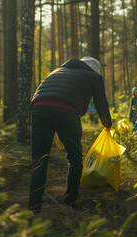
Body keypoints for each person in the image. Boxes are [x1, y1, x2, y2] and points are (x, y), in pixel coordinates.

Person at [29, 56, 112, 213]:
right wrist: (108, 126)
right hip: (67, 111)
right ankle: (70, 204)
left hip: (38, 108)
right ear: (95, 69)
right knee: (74, 159)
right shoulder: (94, 76)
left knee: (39, 160)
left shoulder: (57, 70)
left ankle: (33, 208)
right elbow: (101, 104)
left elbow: (40, 93)